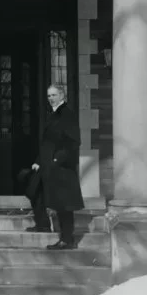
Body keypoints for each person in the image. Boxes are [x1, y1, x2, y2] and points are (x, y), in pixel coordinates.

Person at [26, 84, 84, 249]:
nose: (50, 98)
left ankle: (67, 239)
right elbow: (47, 142)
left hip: (62, 168)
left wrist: (57, 160)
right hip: (47, 164)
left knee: (64, 204)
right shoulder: (52, 114)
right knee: (35, 189)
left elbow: (73, 142)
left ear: (62, 95)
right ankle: (43, 224)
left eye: (53, 95)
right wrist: (38, 160)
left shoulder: (67, 114)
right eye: (49, 95)